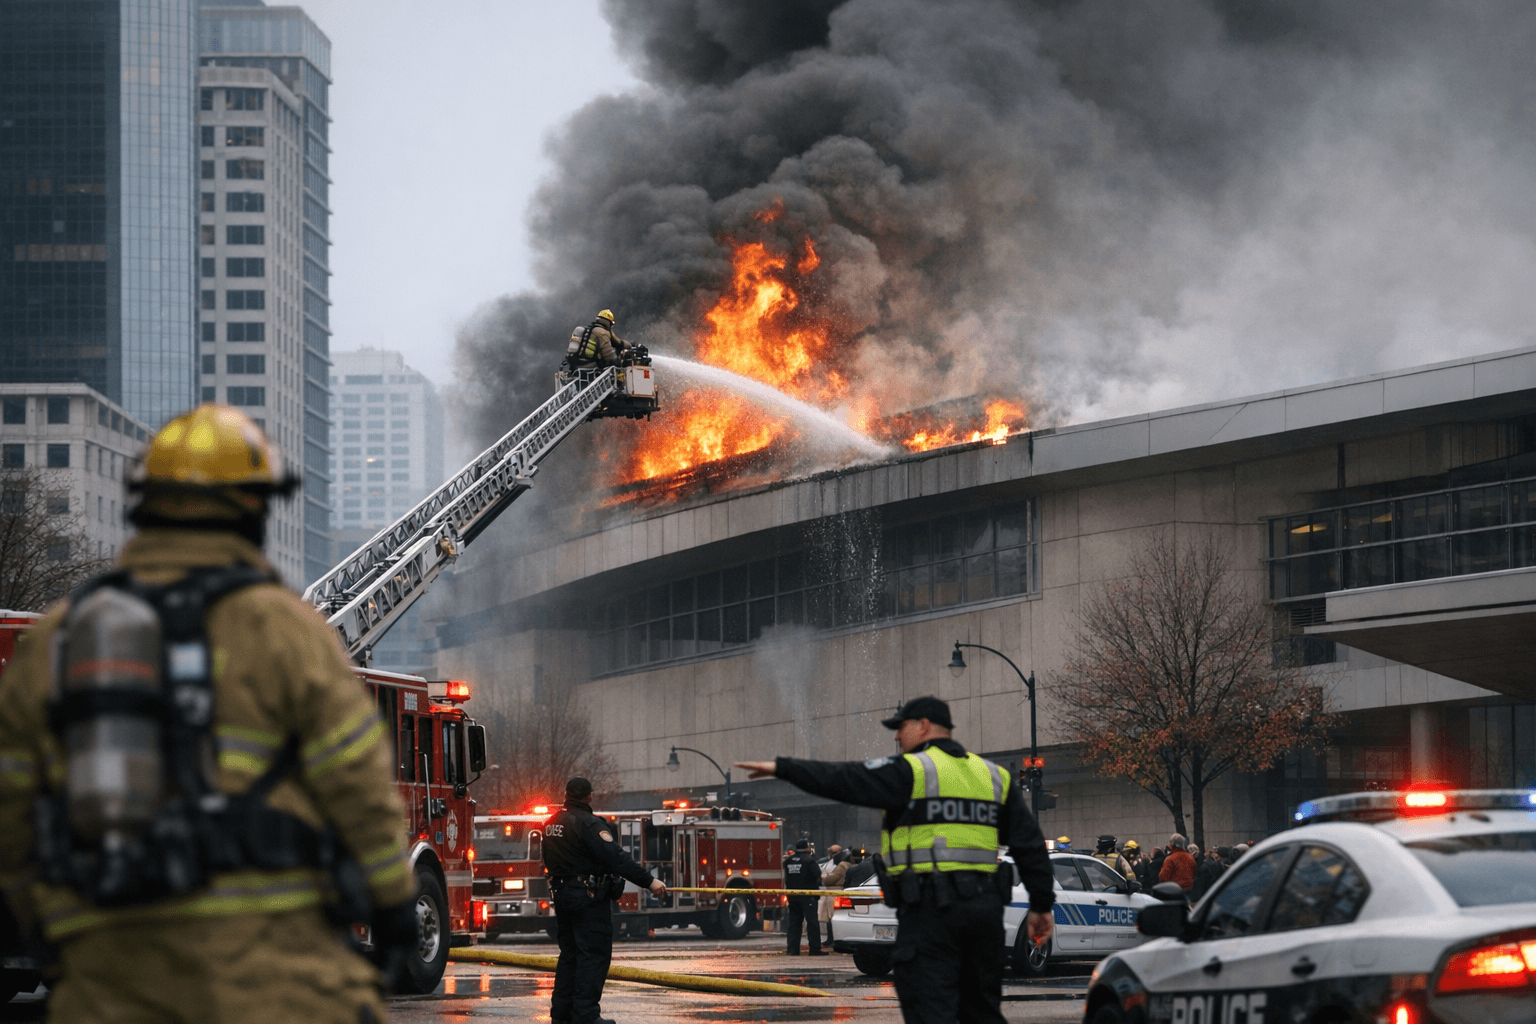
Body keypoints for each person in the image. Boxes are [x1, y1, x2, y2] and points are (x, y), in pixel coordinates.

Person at [0, 403, 418, 1024]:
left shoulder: (57, 641)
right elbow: (361, 794)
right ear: (254, 508)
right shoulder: (286, 631)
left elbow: (12, 821)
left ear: (143, 503)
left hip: (108, 989)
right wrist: (394, 915)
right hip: (279, 988)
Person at [737, 695, 1055, 1024]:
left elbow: (846, 778)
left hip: (931, 915)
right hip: (984, 915)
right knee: (981, 1012)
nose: (896, 736)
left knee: (929, 1010)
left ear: (925, 726)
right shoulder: (993, 776)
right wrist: (1042, 905)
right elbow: (1030, 844)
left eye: (901, 727)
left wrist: (783, 768)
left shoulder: (913, 771)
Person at [544, 776, 666, 1024]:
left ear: (567, 794)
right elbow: (616, 858)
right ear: (589, 796)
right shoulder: (590, 824)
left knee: (570, 956)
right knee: (593, 955)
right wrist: (649, 881)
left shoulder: (551, 824)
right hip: (588, 899)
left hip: (562, 896)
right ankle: (586, 1015)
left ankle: (562, 1014)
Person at [782, 839, 824, 955]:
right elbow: (818, 875)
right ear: (807, 849)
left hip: (793, 896)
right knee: (812, 923)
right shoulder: (810, 861)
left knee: (794, 923)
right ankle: (815, 950)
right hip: (808, 896)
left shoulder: (788, 861)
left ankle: (792, 949)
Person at [819, 848, 850, 944]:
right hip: (834, 892)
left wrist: (824, 878)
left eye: (833, 853)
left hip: (834, 893)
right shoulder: (843, 865)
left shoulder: (841, 866)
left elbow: (830, 879)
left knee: (831, 916)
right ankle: (832, 939)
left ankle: (833, 939)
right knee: (830, 916)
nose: (831, 856)